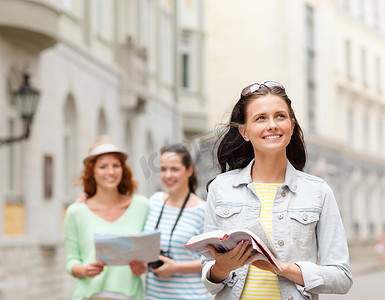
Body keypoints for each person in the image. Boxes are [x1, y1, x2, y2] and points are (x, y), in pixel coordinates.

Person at [202, 81, 353, 299]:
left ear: (291, 126)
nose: (272, 124)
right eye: (261, 118)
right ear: (244, 131)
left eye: (280, 116)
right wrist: (222, 268)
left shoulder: (318, 191)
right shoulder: (220, 188)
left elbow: (342, 277)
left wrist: (282, 268)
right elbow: (209, 274)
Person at [64, 135, 149, 300]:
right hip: (88, 296)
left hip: (130, 295)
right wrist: (84, 270)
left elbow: (149, 252)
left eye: (116, 165)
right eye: (103, 166)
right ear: (92, 171)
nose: (111, 172)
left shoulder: (142, 206)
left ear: (123, 169)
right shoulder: (76, 212)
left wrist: (143, 267)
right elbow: (71, 260)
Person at [143, 144, 212, 300]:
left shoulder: (203, 210)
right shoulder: (153, 202)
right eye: (163, 169)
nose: (168, 175)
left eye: (174, 169)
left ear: (189, 170)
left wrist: (176, 268)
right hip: (154, 296)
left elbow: (214, 261)